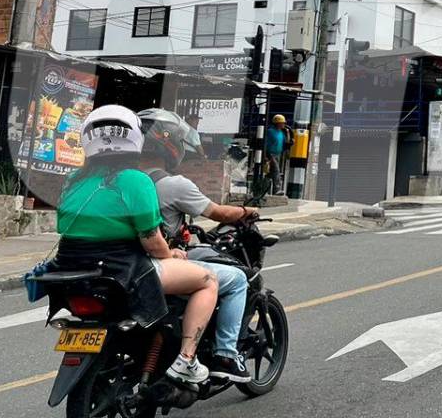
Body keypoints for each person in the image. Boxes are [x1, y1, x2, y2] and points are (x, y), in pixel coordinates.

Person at [47, 105, 218, 386]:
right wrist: (172, 254)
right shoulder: (136, 180)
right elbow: (152, 241)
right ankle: (186, 360)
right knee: (208, 280)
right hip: (123, 268)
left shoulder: (73, 179)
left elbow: (63, 225)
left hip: (71, 265)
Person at [137, 108, 259, 382]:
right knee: (235, 279)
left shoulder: (114, 180)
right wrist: (246, 211)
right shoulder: (171, 185)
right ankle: (223, 355)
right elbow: (218, 213)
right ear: (170, 143)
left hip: (116, 264)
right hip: (152, 264)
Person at [264, 114, 293, 195]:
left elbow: (284, 143)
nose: (284, 124)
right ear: (277, 123)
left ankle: (262, 188)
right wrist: (265, 155)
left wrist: (290, 141)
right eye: (282, 123)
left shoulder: (281, 133)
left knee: (270, 173)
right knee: (276, 170)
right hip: (270, 154)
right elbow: (265, 143)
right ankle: (277, 189)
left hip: (278, 154)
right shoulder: (270, 132)